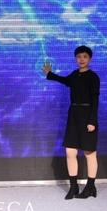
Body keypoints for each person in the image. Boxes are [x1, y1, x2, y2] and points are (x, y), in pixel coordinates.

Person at [43, 45, 100, 200]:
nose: (81, 59)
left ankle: (90, 187)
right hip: (73, 115)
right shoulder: (75, 74)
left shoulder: (93, 77)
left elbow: (95, 100)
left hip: (88, 116)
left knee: (89, 153)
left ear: (90, 59)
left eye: (85, 56)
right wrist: (50, 74)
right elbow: (65, 80)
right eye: (79, 57)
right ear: (75, 59)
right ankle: (73, 186)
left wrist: (92, 120)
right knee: (70, 152)